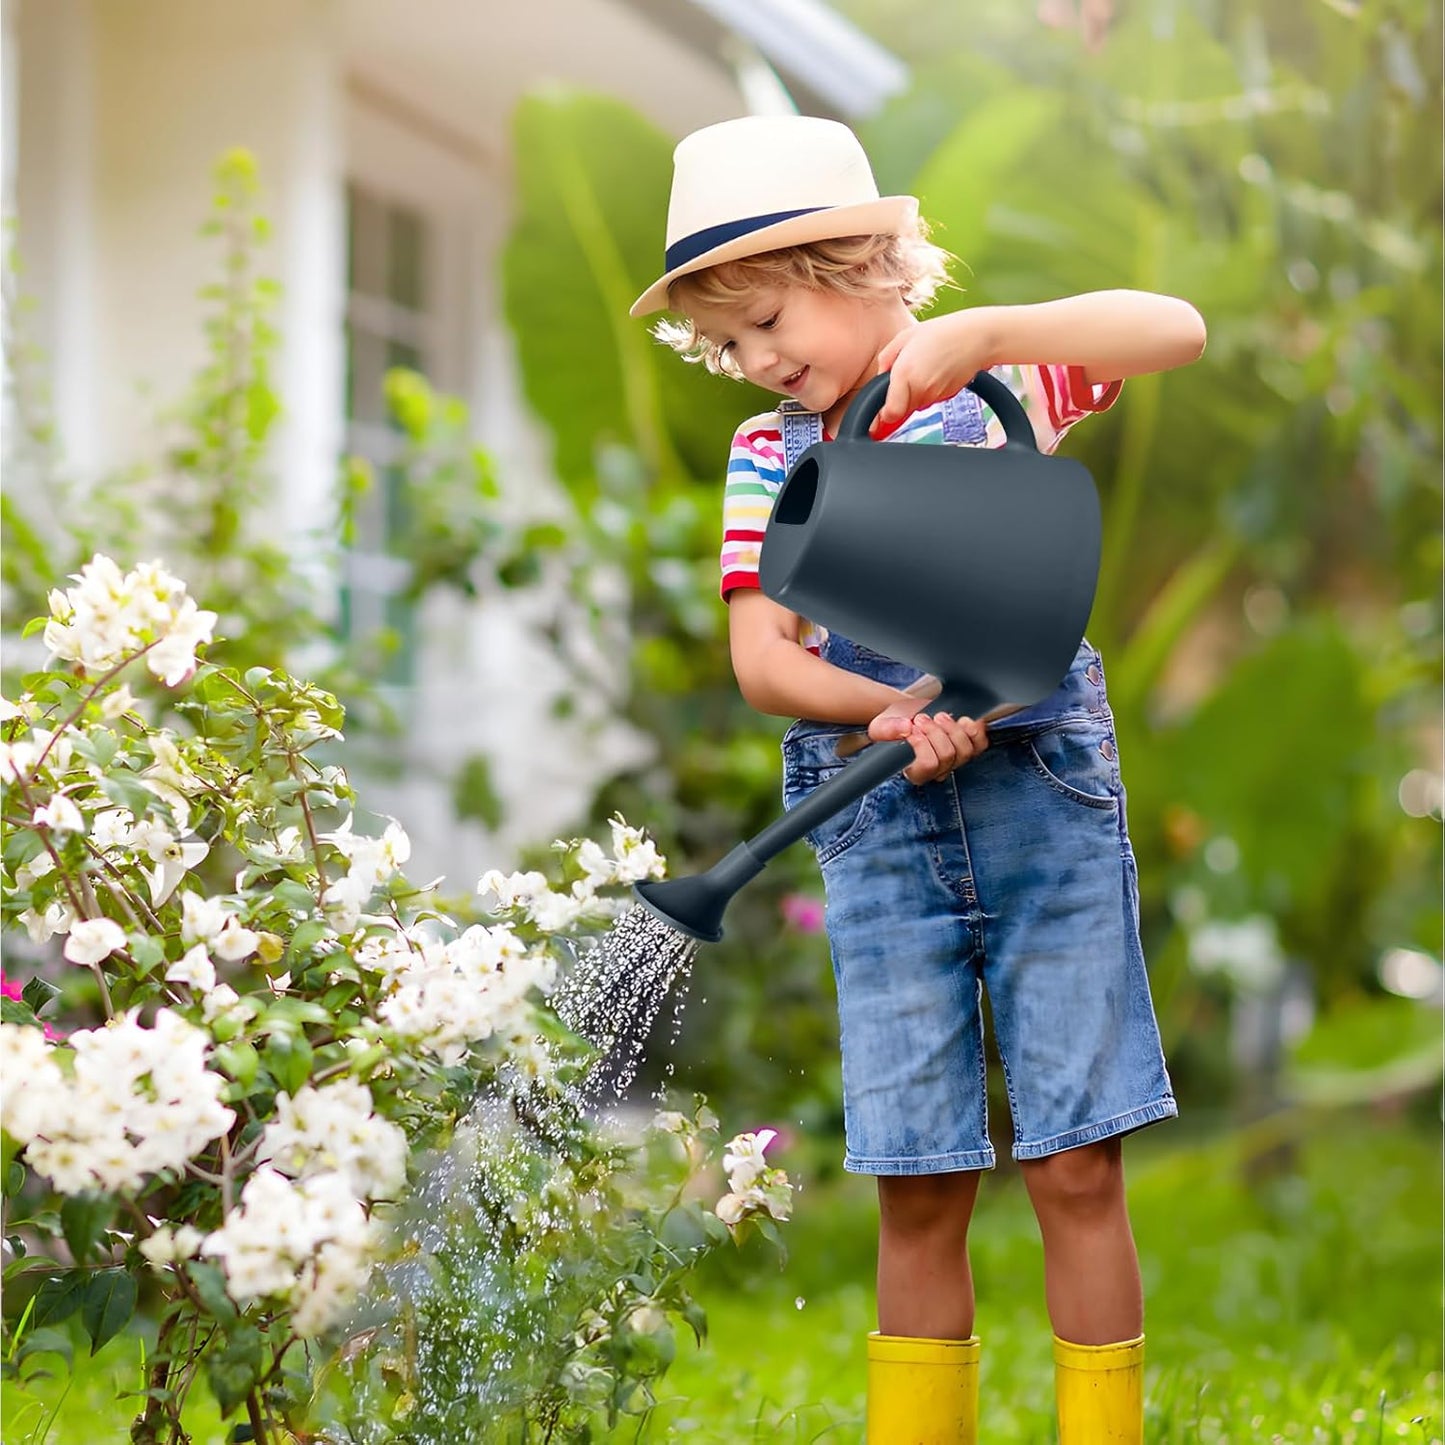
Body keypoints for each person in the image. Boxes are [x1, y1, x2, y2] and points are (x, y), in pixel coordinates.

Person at [629, 113, 1206, 1445]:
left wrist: (991, 333)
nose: (756, 361)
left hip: (1042, 790)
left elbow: (1172, 327)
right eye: (728, 345)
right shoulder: (769, 455)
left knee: (1077, 1161)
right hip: (880, 813)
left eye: (766, 321)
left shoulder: (999, 383)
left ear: (859, 265)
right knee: (919, 1178)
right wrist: (890, 710)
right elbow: (765, 660)